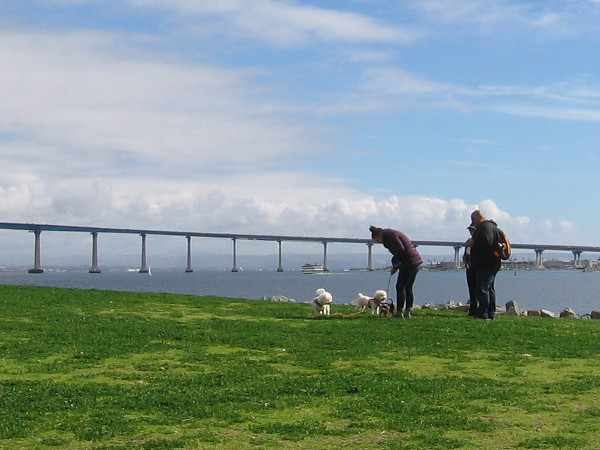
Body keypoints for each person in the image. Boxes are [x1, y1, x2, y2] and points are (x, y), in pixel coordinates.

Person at [369, 225, 423, 318]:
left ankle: (399, 312)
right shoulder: (389, 234)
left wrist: (394, 263)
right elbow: (400, 252)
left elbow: (400, 250)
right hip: (415, 261)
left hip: (409, 262)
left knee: (400, 287)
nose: (379, 242)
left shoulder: (391, 237)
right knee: (408, 287)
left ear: (380, 235)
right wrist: (396, 266)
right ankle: (407, 312)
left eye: (378, 240)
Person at [468, 210, 502, 320]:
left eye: (474, 219)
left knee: (482, 289)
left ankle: (483, 313)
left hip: (486, 264)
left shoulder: (485, 227)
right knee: (489, 288)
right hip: (492, 263)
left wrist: (473, 243)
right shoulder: (491, 227)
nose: (473, 222)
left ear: (480, 218)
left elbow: (486, 243)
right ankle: (491, 313)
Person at [463, 225, 478, 317]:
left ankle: (479, 310)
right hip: (469, 268)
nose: (471, 232)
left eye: (472, 230)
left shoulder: (478, 242)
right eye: (470, 230)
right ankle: (473, 310)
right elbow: (466, 254)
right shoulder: (468, 242)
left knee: (479, 290)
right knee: (472, 290)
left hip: (477, 268)